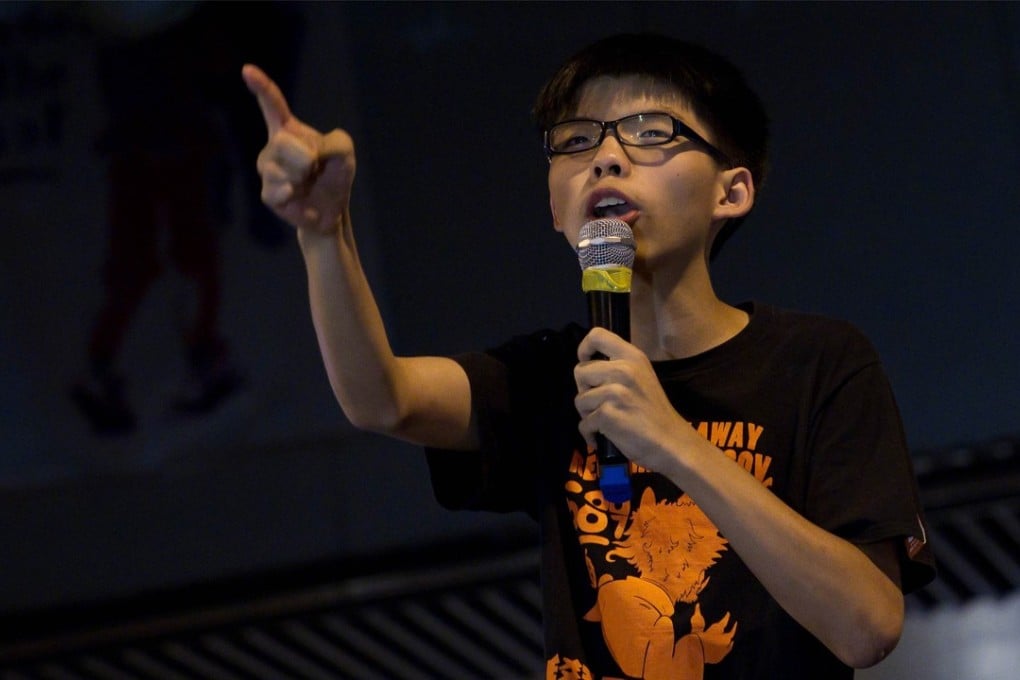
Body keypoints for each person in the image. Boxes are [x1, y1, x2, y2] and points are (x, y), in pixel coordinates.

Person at [243, 33, 935, 679]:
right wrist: (324, 233)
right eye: (575, 141)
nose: (605, 157)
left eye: (650, 133)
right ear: (554, 208)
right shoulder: (550, 377)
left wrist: (672, 443)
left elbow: (867, 625)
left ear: (733, 191)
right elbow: (381, 398)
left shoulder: (819, 363)